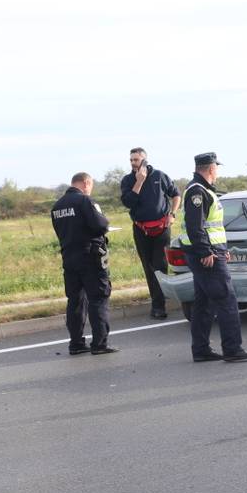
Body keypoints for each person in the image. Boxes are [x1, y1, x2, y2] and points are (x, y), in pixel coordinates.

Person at [181, 152, 247, 363]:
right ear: (211, 168)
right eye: (217, 167)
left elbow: (210, 227)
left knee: (204, 303)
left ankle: (201, 350)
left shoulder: (201, 190)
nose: (218, 171)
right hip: (205, 255)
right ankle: (233, 349)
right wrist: (206, 251)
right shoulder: (198, 191)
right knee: (226, 299)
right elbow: (196, 227)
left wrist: (221, 249)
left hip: (211, 252)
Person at [50, 172, 119, 355]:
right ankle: (99, 344)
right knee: (98, 298)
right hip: (90, 257)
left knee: (75, 301)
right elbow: (101, 225)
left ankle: (76, 343)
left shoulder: (57, 206)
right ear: (86, 183)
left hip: (69, 258)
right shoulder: (85, 201)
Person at [120, 147, 181, 319]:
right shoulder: (127, 180)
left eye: (136, 160)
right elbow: (128, 203)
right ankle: (157, 303)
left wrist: (172, 214)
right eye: (131, 160)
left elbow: (176, 195)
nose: (133, 163)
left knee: (160, 265)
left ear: (145, 160)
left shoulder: (159, 176)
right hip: (141, 229)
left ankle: (159, 305)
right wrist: (139, 182)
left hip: (162, 228)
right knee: (149, 267)